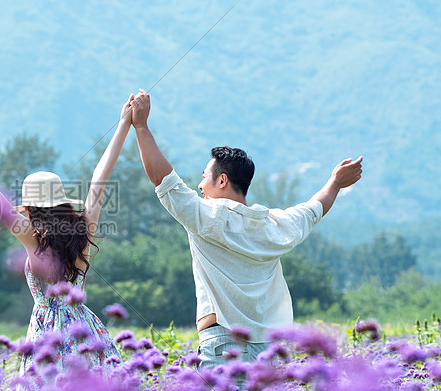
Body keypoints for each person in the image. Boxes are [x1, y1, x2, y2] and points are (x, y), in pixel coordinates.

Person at [129, 89, 363, 369]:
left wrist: (141, 126)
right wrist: (335, 182)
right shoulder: (273, 226)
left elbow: (164, 179)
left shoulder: (207, 217)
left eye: (204, 178)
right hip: (271, 352)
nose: (200, 186)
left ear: (222, 181)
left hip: (223, 347)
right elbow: (313, 210)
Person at [0, 96, 134, 371]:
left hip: (46, 335)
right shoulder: (82, 229)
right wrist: (123, 123)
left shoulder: (31, 236)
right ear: (62, 202)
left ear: (31, 208)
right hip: (84, 331)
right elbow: (100, 176)